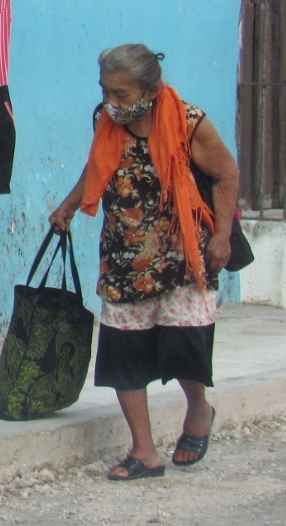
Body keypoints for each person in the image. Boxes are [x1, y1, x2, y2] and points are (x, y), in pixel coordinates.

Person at [49, 44, 239, 479]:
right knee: (124, 352)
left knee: (182, 349)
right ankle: (144, 452)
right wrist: (69, 204)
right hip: (125, 255)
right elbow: (99, 167)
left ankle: (198, 409)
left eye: (121, 94)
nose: (111, 103)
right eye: (106, 92)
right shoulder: (107, 122)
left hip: (182, 257)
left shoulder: (190, 123)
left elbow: (227, 173)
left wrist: (223, 235)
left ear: (150, 91)